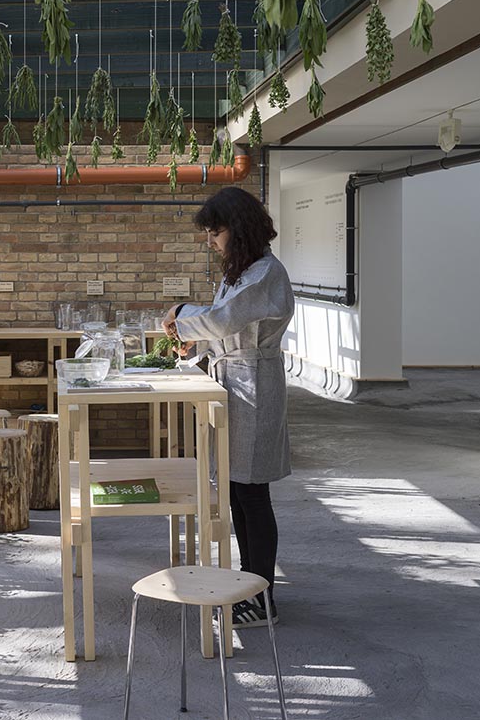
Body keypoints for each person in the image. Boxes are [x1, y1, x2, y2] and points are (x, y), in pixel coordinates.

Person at [163, 186, 294, 628]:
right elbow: (223, 331)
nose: (209, 240)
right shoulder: (241, 272)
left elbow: (221, 321)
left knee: (252, 493)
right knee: (238, 490)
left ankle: (263, 598)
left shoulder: (265, 274)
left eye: (214, 231)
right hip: (235, 382)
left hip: (254, 385)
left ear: (236, 230)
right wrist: (194, 349)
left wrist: (182, 314)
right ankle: (250, 586)